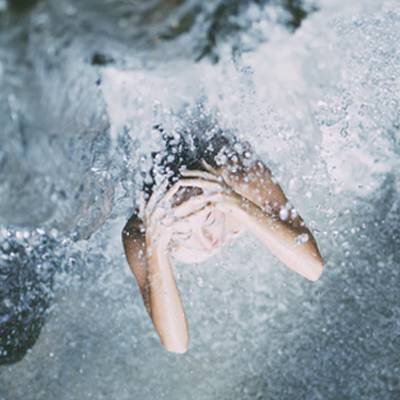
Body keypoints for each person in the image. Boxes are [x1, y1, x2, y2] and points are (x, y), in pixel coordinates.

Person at [122, 115, 324, 354]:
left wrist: (237, 203)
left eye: (209, 218)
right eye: (184, 234)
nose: (206, 241)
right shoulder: (141, 233)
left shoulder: (239, 177)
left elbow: (313, 268)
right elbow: (176, 344)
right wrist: (156, 247)